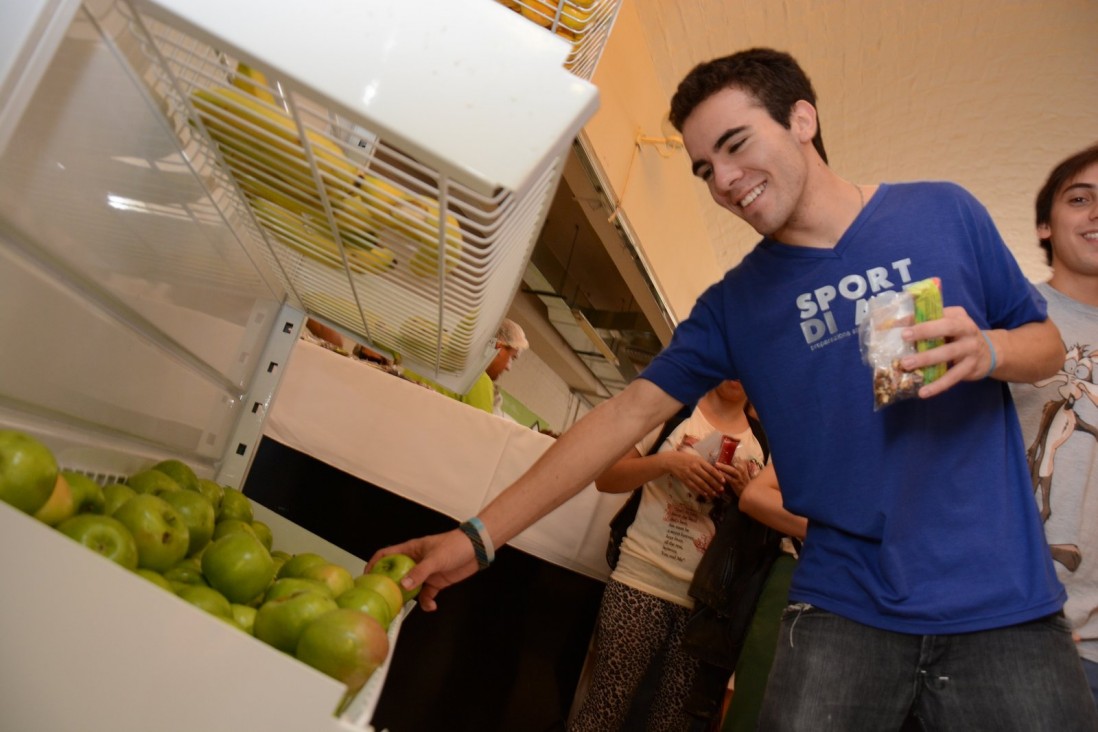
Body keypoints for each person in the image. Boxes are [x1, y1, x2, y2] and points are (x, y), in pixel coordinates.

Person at [370, 48, 1094, 730]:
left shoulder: (943, 211)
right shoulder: (735, 305)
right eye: (703, 167)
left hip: (1003, 602)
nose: (722, 179)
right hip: (843, 608)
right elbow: (624, 415)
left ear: (802, 119)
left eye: (737, 143)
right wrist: (478, 537)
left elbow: (1047, 345)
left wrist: (989, 348)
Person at [571, 380, 763, 731]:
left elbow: (761, 535)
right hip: (640, 579)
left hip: (707, 608)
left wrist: (745, 495)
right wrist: (668, 463)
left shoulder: (761, 444)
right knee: (605, 707)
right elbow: (606, 477)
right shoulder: (675, 413)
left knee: (671, 723)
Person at [1010, 143, 1098, 707]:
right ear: (1045, 224)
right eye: (1081, 199)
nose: (1097, 213)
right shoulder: (1008, 316)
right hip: (1017, 629)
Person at [460, 318, 528, 417]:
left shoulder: (451, 365)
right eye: (512, 358)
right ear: (497, 346)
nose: (508, 368)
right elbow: (478, 430)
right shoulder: (479, 381)